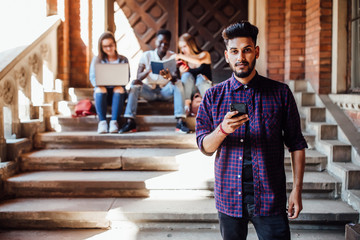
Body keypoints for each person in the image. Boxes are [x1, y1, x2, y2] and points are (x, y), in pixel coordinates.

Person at [195, 21, 307, 240]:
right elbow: (204, 147)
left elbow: (297, 144)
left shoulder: (280, 93)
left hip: (270, 197)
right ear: (227, 55)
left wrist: (297, 190)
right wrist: (222, 130)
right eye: (235, 51)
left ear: (255, 52)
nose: (241, 57)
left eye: (246, 50)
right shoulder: (213, 96)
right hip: (229, 198)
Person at [119, 29, 190, 134]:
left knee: (178, 82)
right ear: (156, 41)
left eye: (166, 43)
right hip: (149, 92)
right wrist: (148, 70)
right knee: (134, 84)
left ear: (169, 44)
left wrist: (169, 77)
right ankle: (130, 122)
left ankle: (180, 121)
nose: (163, 45)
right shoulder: (146, 55)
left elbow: (175, 78)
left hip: (165, 92)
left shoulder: (172, 56)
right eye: (160, 42)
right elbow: (138, 76)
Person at [89, 31, 129, 134]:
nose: (108, 49)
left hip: (118, 91)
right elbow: (93, 77)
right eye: (105, 46)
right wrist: (100, 83)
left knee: (119, 88)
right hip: (103, 92)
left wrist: (119, 82)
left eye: (110, 45)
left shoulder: (123, 59)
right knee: (99, 89)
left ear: (115, 45)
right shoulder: (97, 59)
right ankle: (102, 122)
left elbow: (126, 78)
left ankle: (114, 122)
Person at [176, 33, 212, 115]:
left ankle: (209, 106)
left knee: (200, 78)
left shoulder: (204, 54)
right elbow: (185, 82)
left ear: (191, 45)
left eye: (184, 46)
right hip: (191, 92)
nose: (183, 50)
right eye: (181, 48)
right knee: (186, 76)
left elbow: (198, 61)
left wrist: (179, 55)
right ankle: (186, 106)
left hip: (204, 89)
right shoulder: (184, 60)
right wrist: (182, 72)